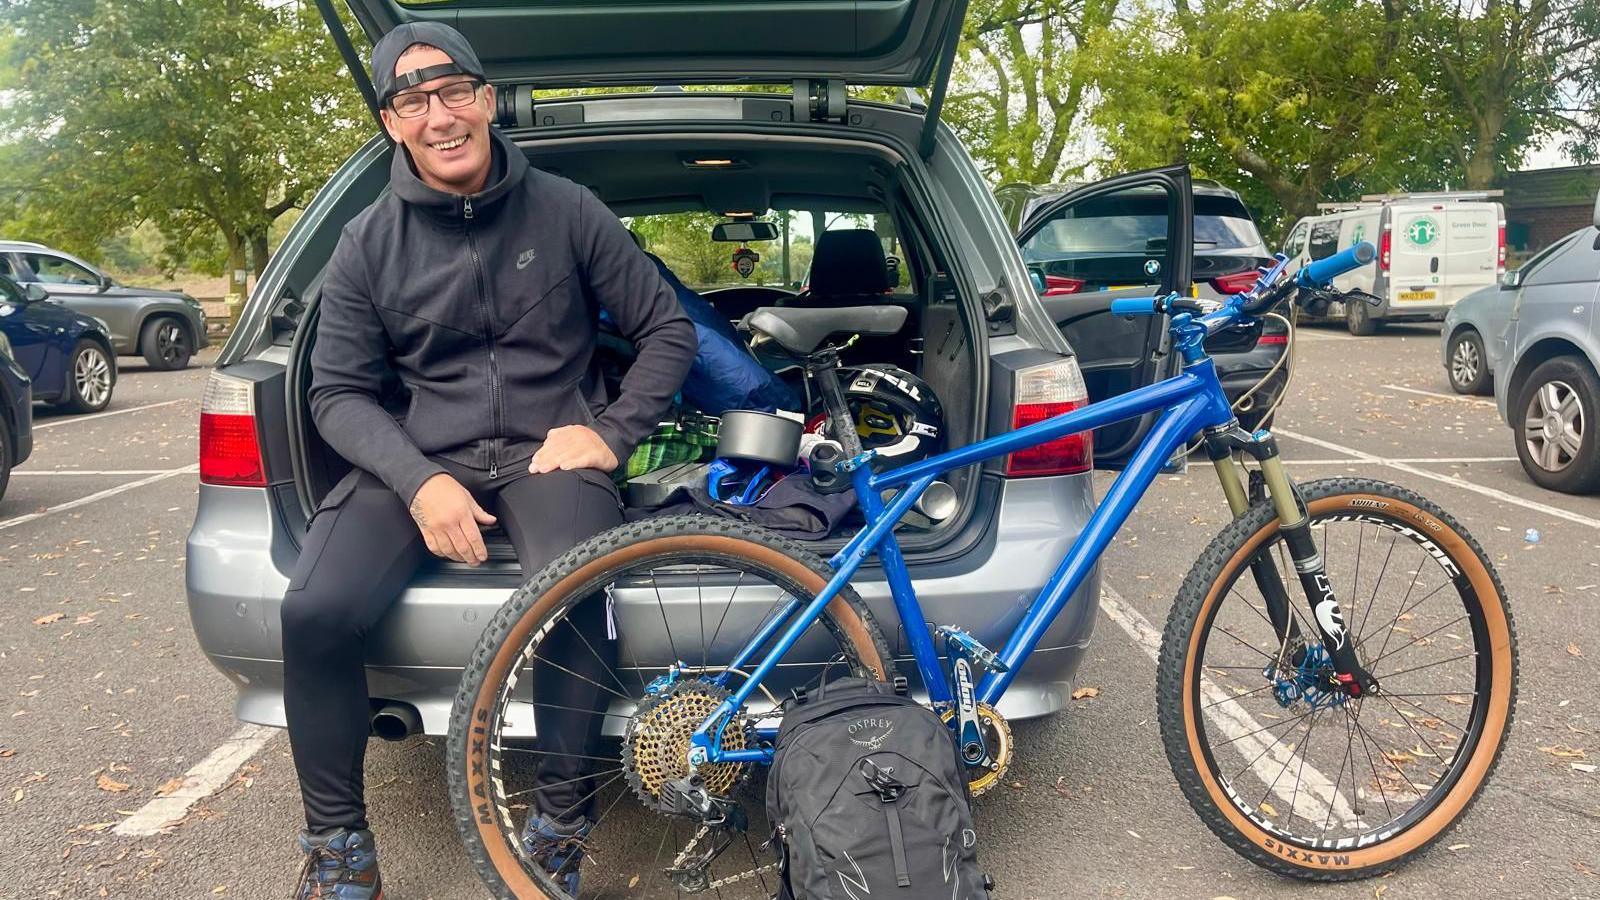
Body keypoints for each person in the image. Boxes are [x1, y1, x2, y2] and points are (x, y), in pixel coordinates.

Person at [284, 21, 695, 899]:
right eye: (413, 99)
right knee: (314, 611)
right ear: (393, 123)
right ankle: (339, 850)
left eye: (454, 91)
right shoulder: (365, 242)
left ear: (487, 100)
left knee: (571, 596)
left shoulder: (570, 209)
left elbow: (667, 330)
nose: (439, 114)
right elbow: (337, 394)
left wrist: (611, 433)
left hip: (551, 454)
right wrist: (418, 479)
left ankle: (556, 828)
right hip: (423, 454)